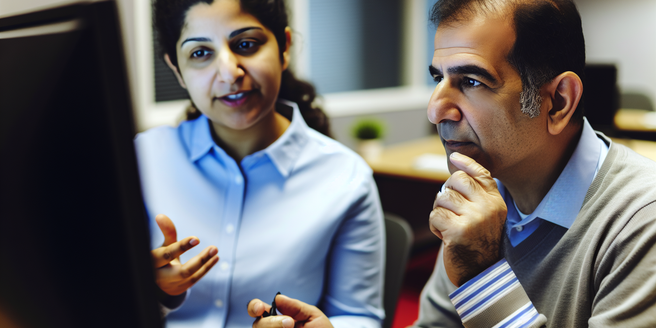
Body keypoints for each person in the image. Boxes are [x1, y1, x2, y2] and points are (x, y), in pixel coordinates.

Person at [134, 0, 385, 327]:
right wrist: (157, 290)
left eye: (246, 44)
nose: (229, 72)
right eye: (200, 54)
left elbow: (360, 317)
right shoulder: (142, 159)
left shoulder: (346, 178)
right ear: (176, 69)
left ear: (284, 49)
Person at [412, 0, 656, 327]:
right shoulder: (480, 193)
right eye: (437, 78)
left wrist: (483, 274)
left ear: (558, 102)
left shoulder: (642, 221)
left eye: (471, 81)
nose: (435, 111)